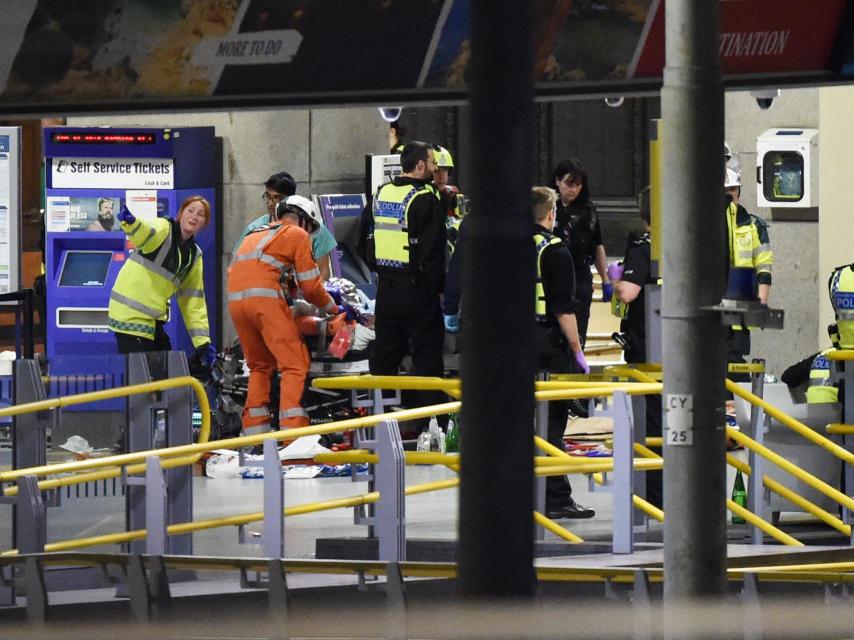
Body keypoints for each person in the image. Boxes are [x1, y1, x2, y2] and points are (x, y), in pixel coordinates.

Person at [228, 196, 342, 435]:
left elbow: (255, 269)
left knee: (260, 366)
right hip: (263, 299)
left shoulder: (256, 233)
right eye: (310, 229)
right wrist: (331, 307)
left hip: (237, 302)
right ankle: (293, 437)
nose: (310, 235)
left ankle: (254, 436)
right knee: (294, 363)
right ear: (303, 221)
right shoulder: (296, 234)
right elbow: (311, 286)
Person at [358, 141, 447, 425]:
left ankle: (380, 421)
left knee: (385, 357)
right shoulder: (426, 199)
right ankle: (428, 424)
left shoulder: (381, 193)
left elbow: (363, 241)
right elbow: (434, 252)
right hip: (419, 290)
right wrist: (439, 290)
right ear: (420, 165)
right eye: (432, 162)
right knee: (427, 357)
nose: (435, 168)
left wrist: (380, 268)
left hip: (386, 288)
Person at [531, 186, 594, 520]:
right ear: (550, 214)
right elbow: (563, 309)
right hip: (546, 345)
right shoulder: (554, 250)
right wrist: (577, 351)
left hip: (511, 343)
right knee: (552, 424)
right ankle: (555, 497)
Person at [108, 196, 215, 369]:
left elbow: (193, 302)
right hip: (129, 315)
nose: (194, 216)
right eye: (190, 210)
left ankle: (155, 395)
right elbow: (146, 232)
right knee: (144, 376)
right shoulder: (164, 228)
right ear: (181, 214)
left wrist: (202, 343)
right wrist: (132, 223)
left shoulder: (194, 255)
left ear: (205, 223)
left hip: (152, 318)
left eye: (200, 214)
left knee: (166, 371)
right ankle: (145, 395)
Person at [608, 187, 662, 508]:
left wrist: (614, 279)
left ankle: (651, 499)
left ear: (643, 217)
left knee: (647, 427)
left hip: (646, 349)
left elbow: (627, 293)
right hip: (676, 347)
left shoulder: (643, 248)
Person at [233, 172, 338, 281]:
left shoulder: (315, 229)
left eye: (276, 198)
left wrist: (314, 296)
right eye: (267, 197)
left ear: (291, 199)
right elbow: (238, 267)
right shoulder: (254, 229)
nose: (270, 204)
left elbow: (323, 271)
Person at [551, 158, 611, 348]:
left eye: (578, 185)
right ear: (557, 181)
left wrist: (605, 279)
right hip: (552, 276)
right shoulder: (547, 207)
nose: (573, 190)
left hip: (580, 277)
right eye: (569, 184)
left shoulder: (588, 211)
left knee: (579, 331)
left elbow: (598, 245)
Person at [723, 166, 773, 370]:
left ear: (738, 192)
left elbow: (764, 269)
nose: (728, 195)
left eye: (732, 190)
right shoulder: (703, 224)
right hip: (710, 313)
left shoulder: (753, 225)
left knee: (735, 369)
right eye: (725, 190)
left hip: (739, 316)